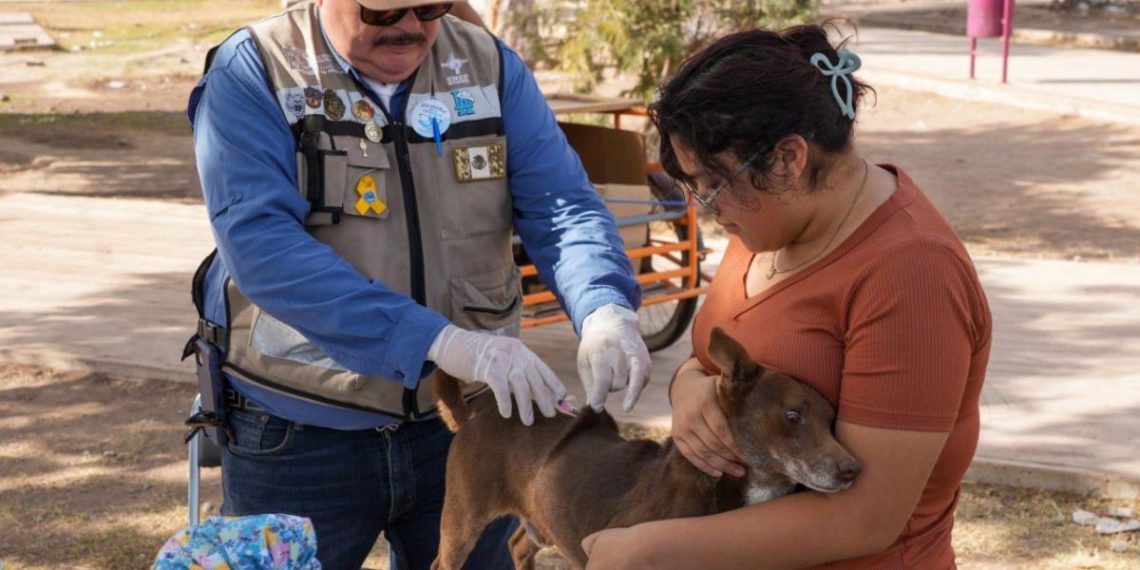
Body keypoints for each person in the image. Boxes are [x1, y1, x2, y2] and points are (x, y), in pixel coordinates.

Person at [185, 1, 652, 568]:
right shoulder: (255, 69)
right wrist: (439, 342)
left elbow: (562, 204)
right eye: (383, 12)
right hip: (297, 434)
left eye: (431, 5)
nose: (410, 26)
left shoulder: (488, 64)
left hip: (470, 427)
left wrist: (603, 303)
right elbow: (263, 247)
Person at [580, 24, 992, 569]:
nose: (707, 207)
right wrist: (689, 388)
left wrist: (648, 548)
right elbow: (717, 353)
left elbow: (866, 517)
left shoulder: (912, 277)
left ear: (786, 159)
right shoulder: (770, 224)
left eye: (712, 184)